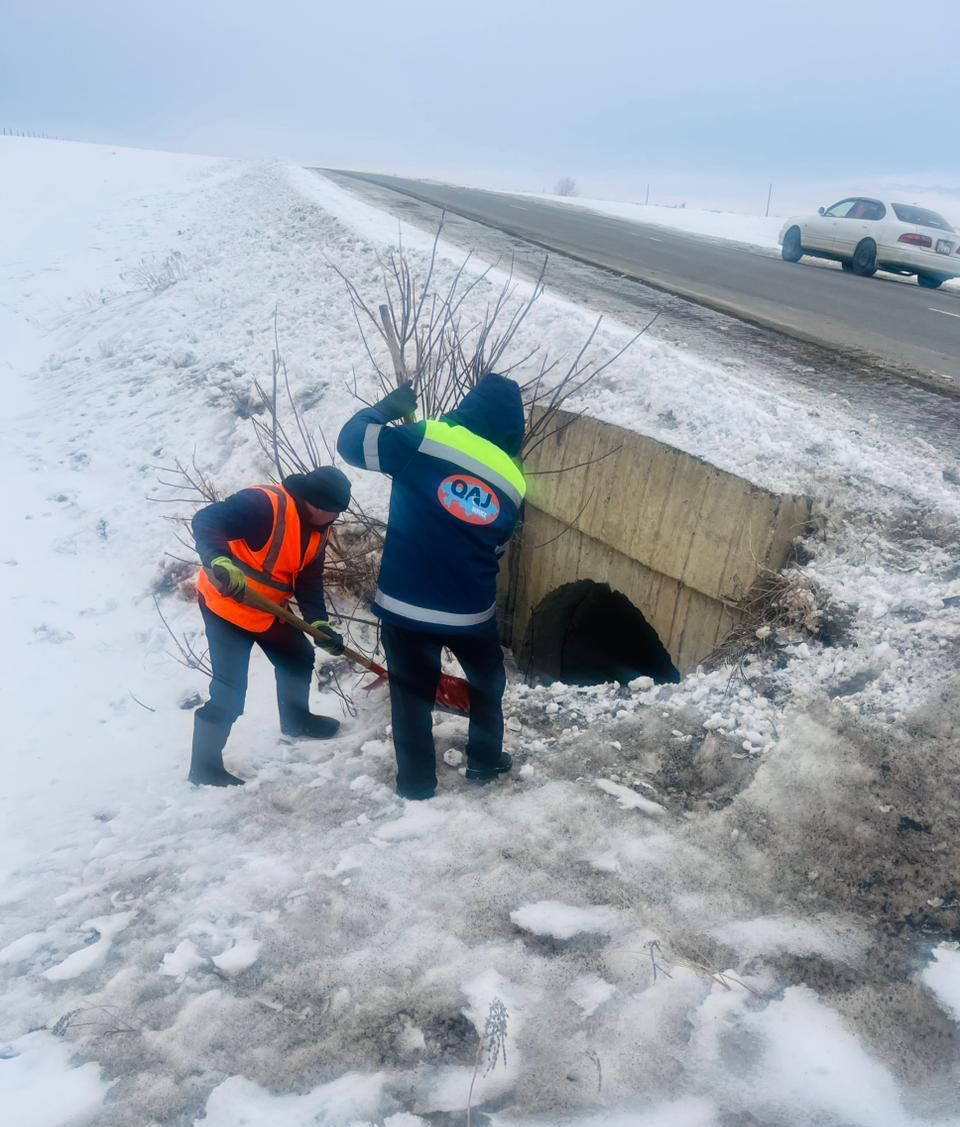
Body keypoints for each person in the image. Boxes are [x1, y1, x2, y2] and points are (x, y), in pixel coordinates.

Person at [337, 373, 526, 800]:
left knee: (411, 695)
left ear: (469, 408)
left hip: (406, 607)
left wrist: (384, 410)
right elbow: (497, 546)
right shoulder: (514, 480)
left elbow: (352, 443)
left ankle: (417, 784)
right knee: (488, 684)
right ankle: (484, 760)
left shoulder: (425, 439)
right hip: (470, 612)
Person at [188, 466, 352, 786]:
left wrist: (318, 622)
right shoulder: (264, 505)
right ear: (315, 502)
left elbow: (308, 579)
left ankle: (296, 721)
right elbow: (206, 520)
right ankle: (204, 769)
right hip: (226, 608)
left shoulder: (320, 529)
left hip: (267, 609)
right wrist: (218, 559)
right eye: (332, 511)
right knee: (229, 692)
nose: (335, 518)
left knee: (297, 657)